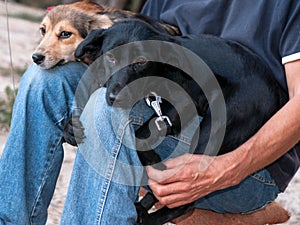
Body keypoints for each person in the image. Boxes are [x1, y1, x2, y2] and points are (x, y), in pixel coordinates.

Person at [0, 0, 299, 224]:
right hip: (168, 112)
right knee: (45, 81)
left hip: (244, 158)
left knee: (108, 108)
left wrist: (226, 170)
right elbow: (137, 48)